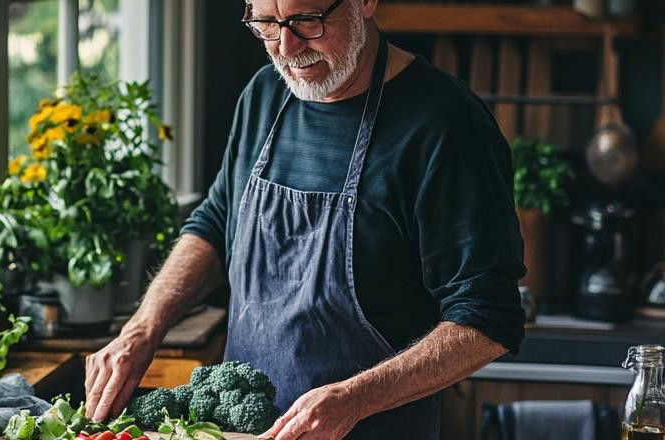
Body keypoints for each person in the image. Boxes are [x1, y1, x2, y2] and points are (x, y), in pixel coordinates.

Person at [84, 0, 526, 438]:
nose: (287, 48)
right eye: (266, 24)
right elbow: (219, 224)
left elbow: (487, 319)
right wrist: (140, 331)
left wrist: (354, 398)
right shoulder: (264, 94)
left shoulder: (447, 124)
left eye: (307, 21)